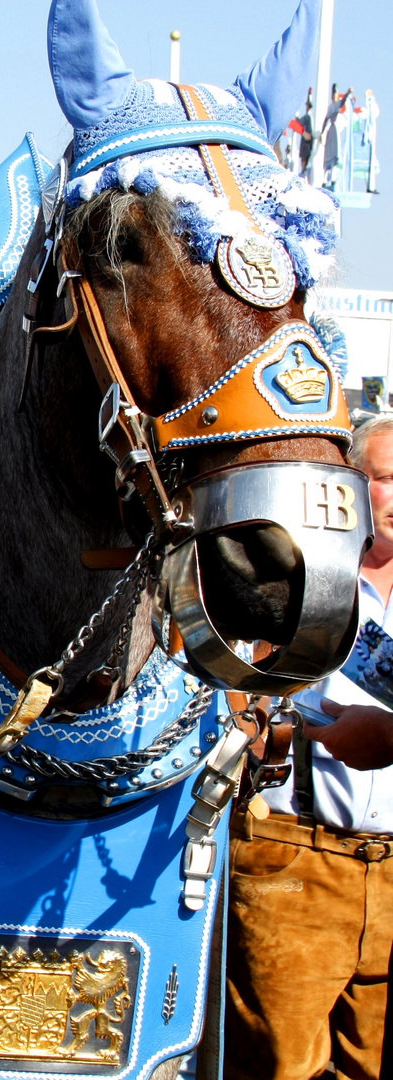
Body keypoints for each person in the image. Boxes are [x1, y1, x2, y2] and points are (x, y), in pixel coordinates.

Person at [226, 414, 393, 1080]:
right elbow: (234, 701)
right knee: (281, 1067)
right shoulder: (298, 579)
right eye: (385, 478)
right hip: (298, 856)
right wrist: (284, 737)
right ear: (352, 485)